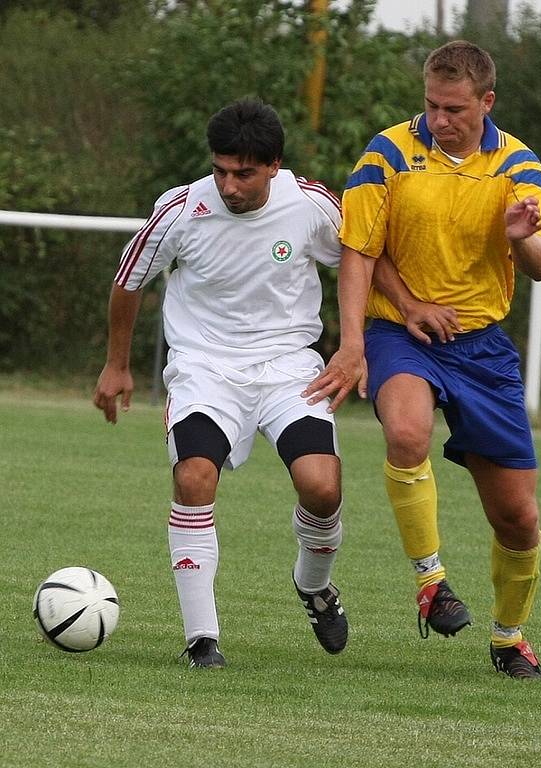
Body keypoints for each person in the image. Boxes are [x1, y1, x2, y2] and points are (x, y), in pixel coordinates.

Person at [304, 40, 541, 679]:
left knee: (519, 521)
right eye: (431, 106)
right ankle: (431, 581)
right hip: (401, 335)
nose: (440, 119)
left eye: (454, 108)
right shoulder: (387, 152)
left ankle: (508, 636)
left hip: (482, 347)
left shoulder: (518, 165)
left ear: (486, 102)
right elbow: (361, 249)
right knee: (407, 432)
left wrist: (520, 241)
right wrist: (356, 341)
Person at [93, 98, 348, 668]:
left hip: (288, 367)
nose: (229, 185)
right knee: (194, 476)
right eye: (220, 170)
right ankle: (201, 639)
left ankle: (313, 586)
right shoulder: (181, 210)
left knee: (322, 487)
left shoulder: (312, 206)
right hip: (204, 369)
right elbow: (128, 280)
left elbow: (360, 258)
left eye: (244, 173)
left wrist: (356, 347)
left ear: (274, 166)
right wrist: (117, 363)